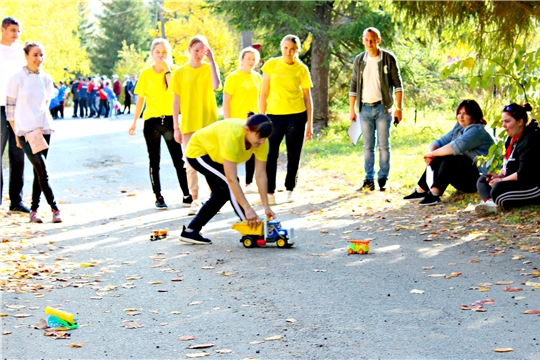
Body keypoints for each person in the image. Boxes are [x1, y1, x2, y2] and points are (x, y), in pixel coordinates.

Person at [179, 114, 275, 245]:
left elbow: (260, 175)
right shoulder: (232, 135)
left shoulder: (261, 140)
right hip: (199, 151)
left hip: (216, 155)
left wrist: (266, 206)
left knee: (220, 195)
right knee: (228, 184)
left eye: (265, 138)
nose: (262, 142)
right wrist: (247, 208)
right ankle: (250, 227)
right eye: (259, 137)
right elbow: (230, 179)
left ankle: (191, 231)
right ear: (247, 130)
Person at [128, 38, 191, 210]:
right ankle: (159, 196)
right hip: (152, 122)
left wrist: (167, 70)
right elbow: (141, 99)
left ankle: (187, 194)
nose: (161, 56)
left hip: (171, 121)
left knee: (178, 159)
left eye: (164, 52)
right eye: (158, 52)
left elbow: (174, 91)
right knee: (154, 160)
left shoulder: (174, 71)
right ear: (152, 54)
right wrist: (134, 122)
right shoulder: (145, 74)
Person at [6, 42, 62, 223]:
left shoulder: (46, 79)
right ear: (26, 56)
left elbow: (45, 103)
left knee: (40, 171)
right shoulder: (16, 78)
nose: (39, 59)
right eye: (35, 55)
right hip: (26, 131)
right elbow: (10, 108)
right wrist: (16, 132)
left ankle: (34, 210)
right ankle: (55, 209)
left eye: (41, 55)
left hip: (44, 128)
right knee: (42, 169)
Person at [403, 99, 494, 206]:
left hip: (480, 180)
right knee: (440, 154)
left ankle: (435, 194)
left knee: (449, 157)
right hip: (466, 175)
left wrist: (432, 154)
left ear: (473, 116)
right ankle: (422, 190)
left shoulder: (477, 131)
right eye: (459, 113)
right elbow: (439, 142)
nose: (461, 116)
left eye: (465, 114)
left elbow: (455, 147)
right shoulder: (459, 128)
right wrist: (432, 154)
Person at [260, 34, 313, 205]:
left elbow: (307, 98)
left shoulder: (301, 69)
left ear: (297, 50)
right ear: (281, 47)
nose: (289, 52)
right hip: (274, 116)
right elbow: (264, 94)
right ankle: (270, 192)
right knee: (270, 154)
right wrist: (262, 119)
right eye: (286, 48)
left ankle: (290, 190)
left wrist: (310, 124)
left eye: (292, 49)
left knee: (293, 154)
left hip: (296, 116)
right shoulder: (271, 65)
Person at [349, 27, 403, 192]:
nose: (369, 42)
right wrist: (352, 109)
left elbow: (398, 84)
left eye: (372, 39)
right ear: (363, 41)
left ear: (378, 40)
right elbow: (353, 84)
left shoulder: (388, 58)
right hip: (364, 109)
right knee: (368, 147)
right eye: (366, 39)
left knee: (384, 146)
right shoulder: (359, 60)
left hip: (383, 108)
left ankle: (383, 178)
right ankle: (368, 180)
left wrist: (399, 108)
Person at [171, 35, 220, 215]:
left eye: (203, 51)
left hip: (208, 123)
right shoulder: (180, 72)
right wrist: (176, 126)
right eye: (196, 50)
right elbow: (176, 101)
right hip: (189, 123)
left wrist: (212, 61)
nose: (199, 54)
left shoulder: (209, 69)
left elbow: (216, 85)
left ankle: (214, 196)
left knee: (211, 161)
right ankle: (195, 199)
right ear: (189, 50)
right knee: (190, 163)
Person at [475, 103, 540, 214]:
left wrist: (501, 180)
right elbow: (508, 166)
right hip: (516, 181)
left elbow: (523, 173)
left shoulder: (530, 139)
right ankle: (491, 203)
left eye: (507, 121)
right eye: (503, 121)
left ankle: (495, 202)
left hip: (534, 185)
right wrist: (499, 176)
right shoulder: (511, 140)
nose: (503, 125)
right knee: (483, 180)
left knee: (497, 190)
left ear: (520, 122)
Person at [223, 46, 262, 194]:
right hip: (235, 121)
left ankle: (249, 183)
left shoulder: (258, 77)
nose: (251, 61)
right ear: (242, 59)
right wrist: (227, 120)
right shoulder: (233, 77)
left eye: (254, 59)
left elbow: (261, 98)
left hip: (253, 121)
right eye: (249, 58)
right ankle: (233, 181)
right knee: (235, 152)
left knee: (250, 151)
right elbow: (226, 101)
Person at [0, 16, 28, 212]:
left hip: (19, 108)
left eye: (18, 31)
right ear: (3, 29)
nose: (16, 35)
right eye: (12, 31)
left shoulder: (21, 53)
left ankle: (16, 202)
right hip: (0, 107)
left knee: (18, 154)